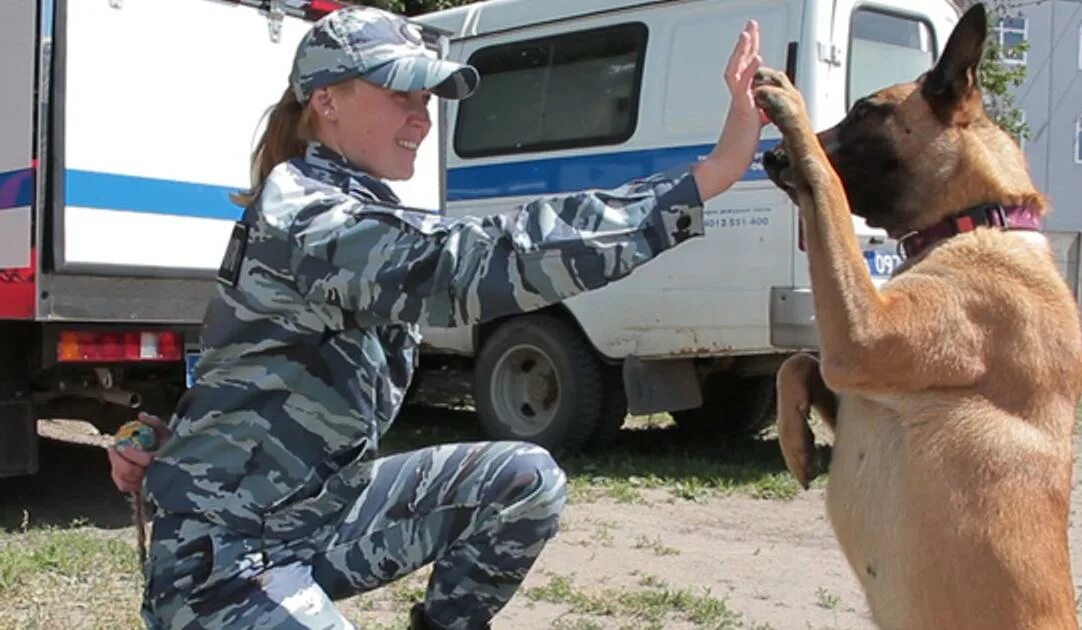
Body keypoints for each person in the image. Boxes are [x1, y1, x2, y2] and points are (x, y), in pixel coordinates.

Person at [107, 5, 767, 629]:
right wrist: (707, 177)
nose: (422, 118)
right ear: (326, 101)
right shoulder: (306, 216)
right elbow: (477, 262)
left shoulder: (350, 204)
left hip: (317, 518)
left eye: (426, 100)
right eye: (402, 94)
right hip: (226, 563)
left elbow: (246, 365)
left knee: (523, 481)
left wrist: (169, 435)